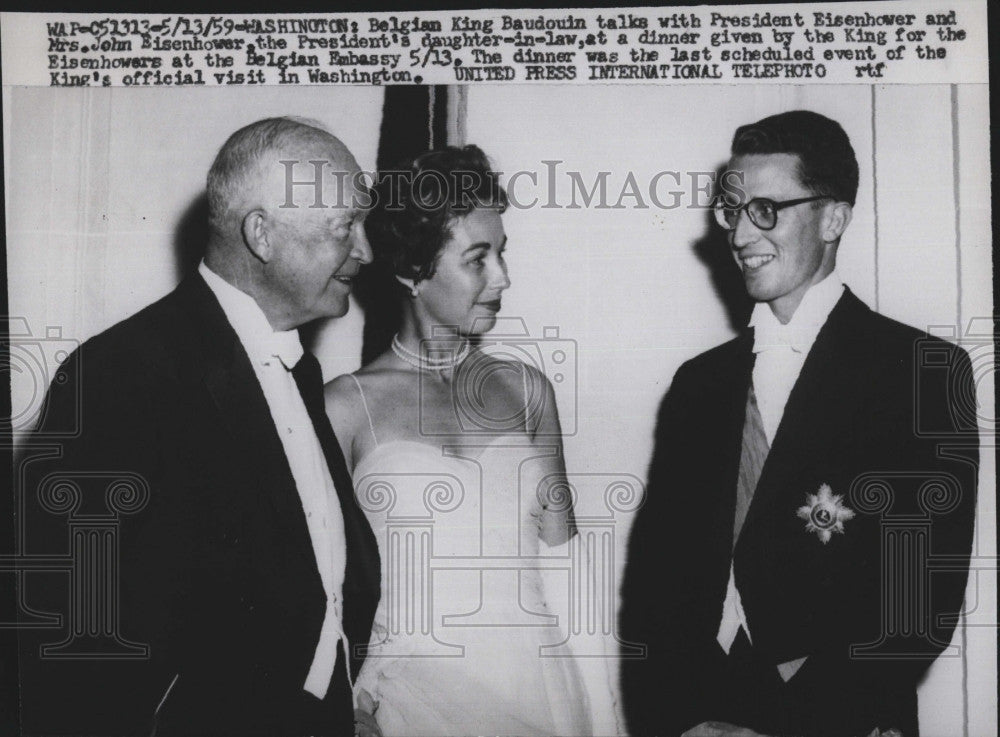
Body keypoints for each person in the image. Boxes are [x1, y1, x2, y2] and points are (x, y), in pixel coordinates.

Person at [620, 110, 978, 737]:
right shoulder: (697, 384)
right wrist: (676, 720)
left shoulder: (921, 372)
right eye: (733, 211)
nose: (740, 235)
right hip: (702, 710)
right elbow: (653, 587)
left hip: (842, 716)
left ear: (833, 217)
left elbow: (918, 601)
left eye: (767, 208)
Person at [19, 117, 380, 736]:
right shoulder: (122, 372)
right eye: (345, 226)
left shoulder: (300, 370)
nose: (365, 250)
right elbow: (69, 634)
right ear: (261, 234)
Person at [325, 145, 592, 736]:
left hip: (542, 691)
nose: (503, 277)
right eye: (478, 259)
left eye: (501, 254)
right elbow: (324, 593)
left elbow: (565, 567)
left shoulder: (528, 392)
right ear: (410, 272)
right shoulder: (344, 406)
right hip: (407, 702)